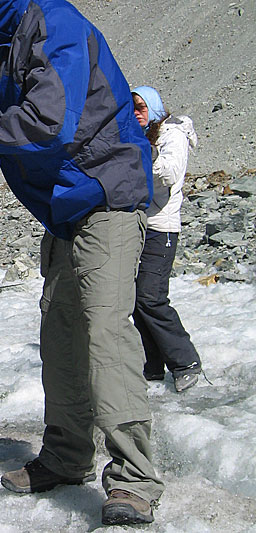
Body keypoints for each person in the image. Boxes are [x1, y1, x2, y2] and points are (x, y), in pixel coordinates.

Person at [0, 0, 164, 525]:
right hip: (64, 210)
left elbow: (50, 123)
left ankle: (134, 479)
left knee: (104, 335)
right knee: (61, 335)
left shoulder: (55, 26)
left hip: (106, 196)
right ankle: (68, 458)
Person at [131, 86, 202, 393]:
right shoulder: (138, 136)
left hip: (162, 227)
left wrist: (142, 155)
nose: (136, 112)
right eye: (131, 107)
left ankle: (186, 362)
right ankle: (153, 364)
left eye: (141, 106)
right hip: (139, 226)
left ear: (155, 107)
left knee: (151, 297)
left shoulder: (171, 135)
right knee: (136, 299)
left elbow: (170, 173)